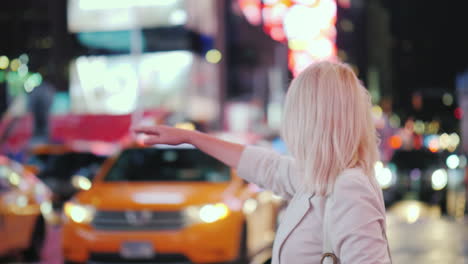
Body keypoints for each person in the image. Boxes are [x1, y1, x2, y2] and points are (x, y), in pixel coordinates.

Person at [134, 61, 392, 264]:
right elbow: (263, 165)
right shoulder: (318, 179)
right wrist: (191, 137)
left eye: (295, 111)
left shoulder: (348, 187)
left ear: (312, 120)